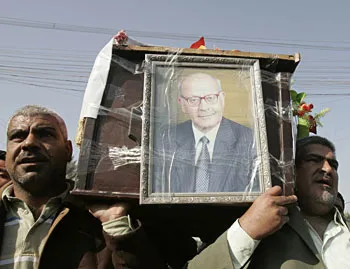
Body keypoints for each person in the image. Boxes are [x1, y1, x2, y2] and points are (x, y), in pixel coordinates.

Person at [0, 105, 164, 269]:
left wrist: (117, 228)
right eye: (18, 136)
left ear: (68, 150)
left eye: (45, 134)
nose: (29, 143)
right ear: (7, 154)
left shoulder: (100, 219)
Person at [187, 136, 349, 268]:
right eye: (314, 160)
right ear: (291, 172)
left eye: (333, 164)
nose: (327, 169)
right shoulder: (265, 226)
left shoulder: (345, 229)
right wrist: (247, 230)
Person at [154, 72, 259, 193]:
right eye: (193, 100)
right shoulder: (165, 140)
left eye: (210, 98)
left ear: (222, 99)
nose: (203, 107)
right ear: (182, 105)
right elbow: (159, 190)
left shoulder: (250, 140)